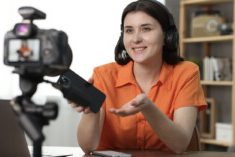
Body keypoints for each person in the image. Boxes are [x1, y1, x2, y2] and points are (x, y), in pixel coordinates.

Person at [69, 0, 207, 154]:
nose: (136, 39)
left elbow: (180, 145)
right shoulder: (103, 75)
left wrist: (148, 108)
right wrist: (91, 112)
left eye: (146, 29)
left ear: (167, 36)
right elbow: (87, 147)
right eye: (129, 30)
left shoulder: (186, 73)